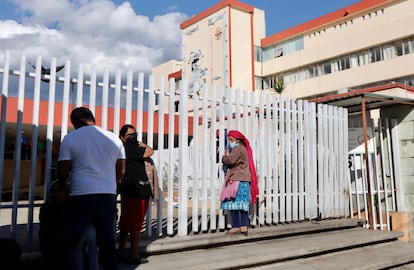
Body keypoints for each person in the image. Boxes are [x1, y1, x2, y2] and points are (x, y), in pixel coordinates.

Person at [56, 107, 126, 270]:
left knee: (75, 244)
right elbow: (122, 171)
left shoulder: (70, 138)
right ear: (91, 118)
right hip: (107, 196)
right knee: (108, 245)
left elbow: (63, 170)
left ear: (75, 122)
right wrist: (110, 183)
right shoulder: (114, 139)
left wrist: (62, 185)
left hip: (81, 196)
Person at [118, 124, 154, 265]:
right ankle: (134, 255)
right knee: (136, 225)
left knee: (126, 223)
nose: (133, 137)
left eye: (135, 134)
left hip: (130, 189)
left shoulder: (122, 150)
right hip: (137, 190)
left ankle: (122, 252)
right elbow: (150, 151)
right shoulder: (131, 149)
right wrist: (141, 143)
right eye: (130, 135)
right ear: (123, 137)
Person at [220, 130, 258, 236]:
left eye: (231, 140)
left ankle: (236, 226)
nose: (230, 142)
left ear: (237, 140)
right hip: (244, 180)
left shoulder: (238, 149)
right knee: (243, 204)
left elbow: (231, 160)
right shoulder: (244, 149)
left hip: (236, 180)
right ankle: (244, 226)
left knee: (233, 203)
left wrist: (224, 157)